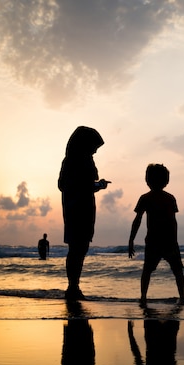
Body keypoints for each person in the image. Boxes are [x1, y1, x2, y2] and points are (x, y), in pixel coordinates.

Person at [58, 126, 111, 300]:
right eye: (94, 147)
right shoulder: (81, 161)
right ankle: (73, 287)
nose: (95, 151)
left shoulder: (69, 161)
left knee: (77, 248)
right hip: (80, 209)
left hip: (74, 208)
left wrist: (96, 186)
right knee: (78, 249)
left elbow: (64, 185)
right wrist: (99, 186)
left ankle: (73, 286)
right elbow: (84, 186)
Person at [129, 164, 184, 306]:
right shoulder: (169, 198)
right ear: (166, 181)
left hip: (155, 241)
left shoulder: (146, 198)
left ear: (147, 180)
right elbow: (173, 222)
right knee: (177, 271)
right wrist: (175, 240)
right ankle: (182, 298)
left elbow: (137, 220)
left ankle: (143, 297)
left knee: (147, 270)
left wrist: (131, 240)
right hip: (167, 241)